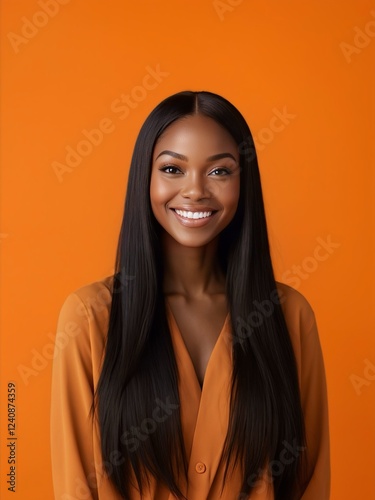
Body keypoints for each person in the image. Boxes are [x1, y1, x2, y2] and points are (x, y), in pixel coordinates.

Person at [50, 91, 330, 500]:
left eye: (219, 172)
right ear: (145, 178)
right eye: (172, 169)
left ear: (243, 181)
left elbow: (310, 479)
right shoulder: (90, 318)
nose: (195, 190)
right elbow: (76, 485)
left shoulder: (289, 317)